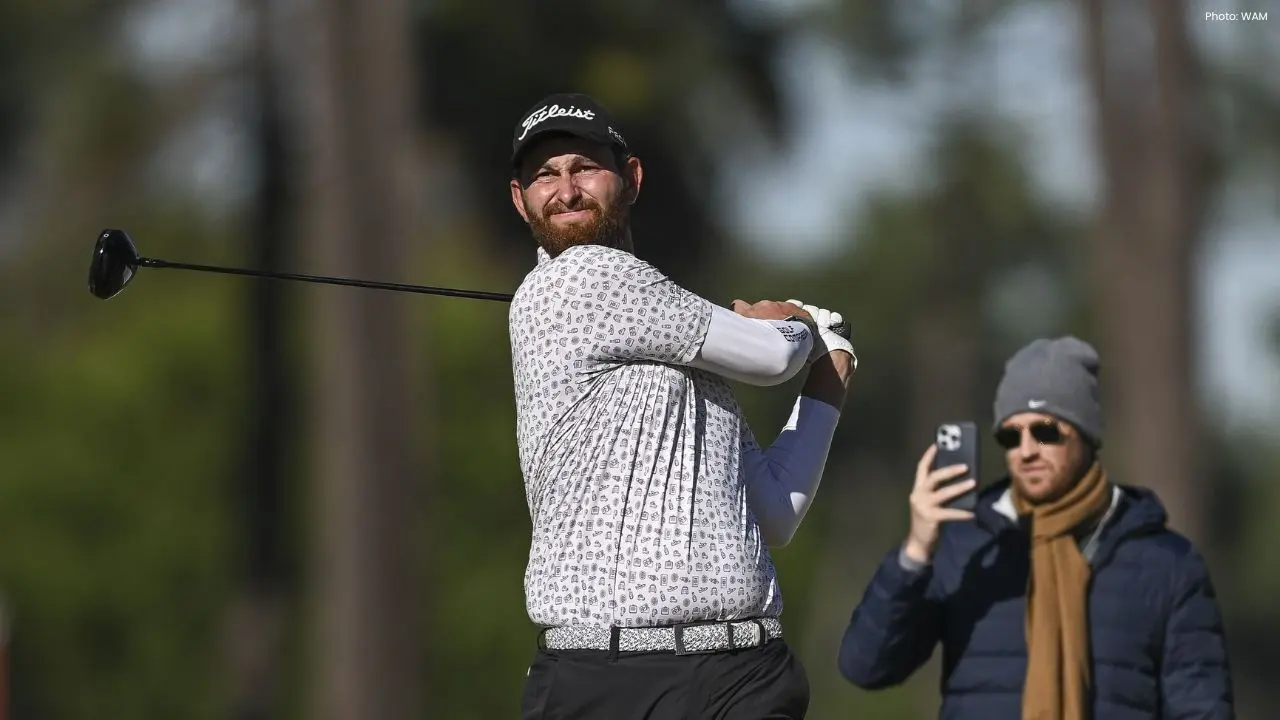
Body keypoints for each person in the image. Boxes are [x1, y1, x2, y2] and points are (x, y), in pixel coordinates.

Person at [506, 92, 857, 720]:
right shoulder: (580, 275)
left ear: (631, 178)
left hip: (743, 673)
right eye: (544, 175)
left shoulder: (685, 348)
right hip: (610, 682)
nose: (565, 190)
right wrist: (801, 324)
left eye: (584, 167)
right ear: (519, 198)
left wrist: (829, 377)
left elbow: (774, 513)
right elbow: (773, 357)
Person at [837, 336, 1234, 719]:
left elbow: (1201, 708)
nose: (1026, 450)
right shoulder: (963, 544)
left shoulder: (1166, 564)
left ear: (1086, 435)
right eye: (1011, 435)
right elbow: (866, 667)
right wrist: (916, 551)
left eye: (1045, 431)